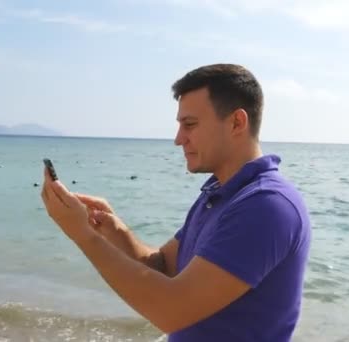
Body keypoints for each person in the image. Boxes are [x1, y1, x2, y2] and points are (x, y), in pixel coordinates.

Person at [41, 63, 312, 341]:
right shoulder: (219, 194)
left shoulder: (266, 206)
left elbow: (172, 310)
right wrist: (113, 231)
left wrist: (83, 236)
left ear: (237, 123)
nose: (178, 139)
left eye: (190, 125)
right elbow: (163, 266)